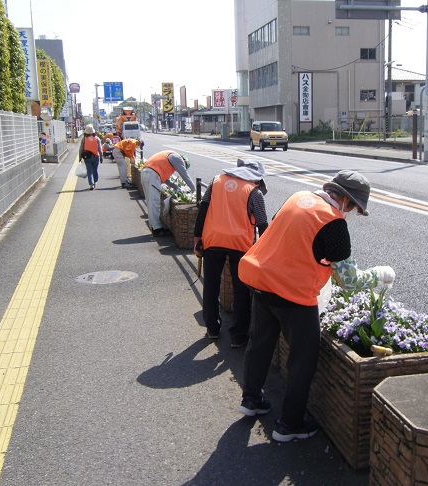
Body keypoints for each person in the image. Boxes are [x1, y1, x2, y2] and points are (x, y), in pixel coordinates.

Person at [237, 170, 396, 442]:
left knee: (260, 343)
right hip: (293, 295)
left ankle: (250, 399)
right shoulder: (333, 224)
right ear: (346, 200)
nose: (354, 213)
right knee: (303, 359)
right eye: (356, 208)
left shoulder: (298, 197)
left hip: (262, 280)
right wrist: (379, 274)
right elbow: (348, 280)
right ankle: (289, 424)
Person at [193, 159, 269, 347]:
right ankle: (238, 336)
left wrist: (197, 238)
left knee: (211, 285)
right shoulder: (254, 192)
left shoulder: (216, 181)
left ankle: (212, 329)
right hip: (240, 244)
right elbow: (262, 224)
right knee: (241, 290)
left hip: (212, 240)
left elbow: (203, 208)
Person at [141, 150, 196, 237]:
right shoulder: (177, 157)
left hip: (146, 173)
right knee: (154, 203)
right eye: (183, 166)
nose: (180, 168)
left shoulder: (168, 158)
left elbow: (166, 179)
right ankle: (157, 229)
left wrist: (175, 187)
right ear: (184, 161)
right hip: (152, 175)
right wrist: (194, 190)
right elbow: (185, 175)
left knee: (151, 202)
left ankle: (154, 226)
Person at [78, 124, 103, 190]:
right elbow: (100, 149)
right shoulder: (97, 139)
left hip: (87, 157)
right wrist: (101, 157)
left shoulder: (84, 139)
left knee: (89, 171)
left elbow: (81, 149)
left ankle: (91, 184)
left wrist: (80, 157)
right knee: (95, 170)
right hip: (96, 157)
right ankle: (95, 182)